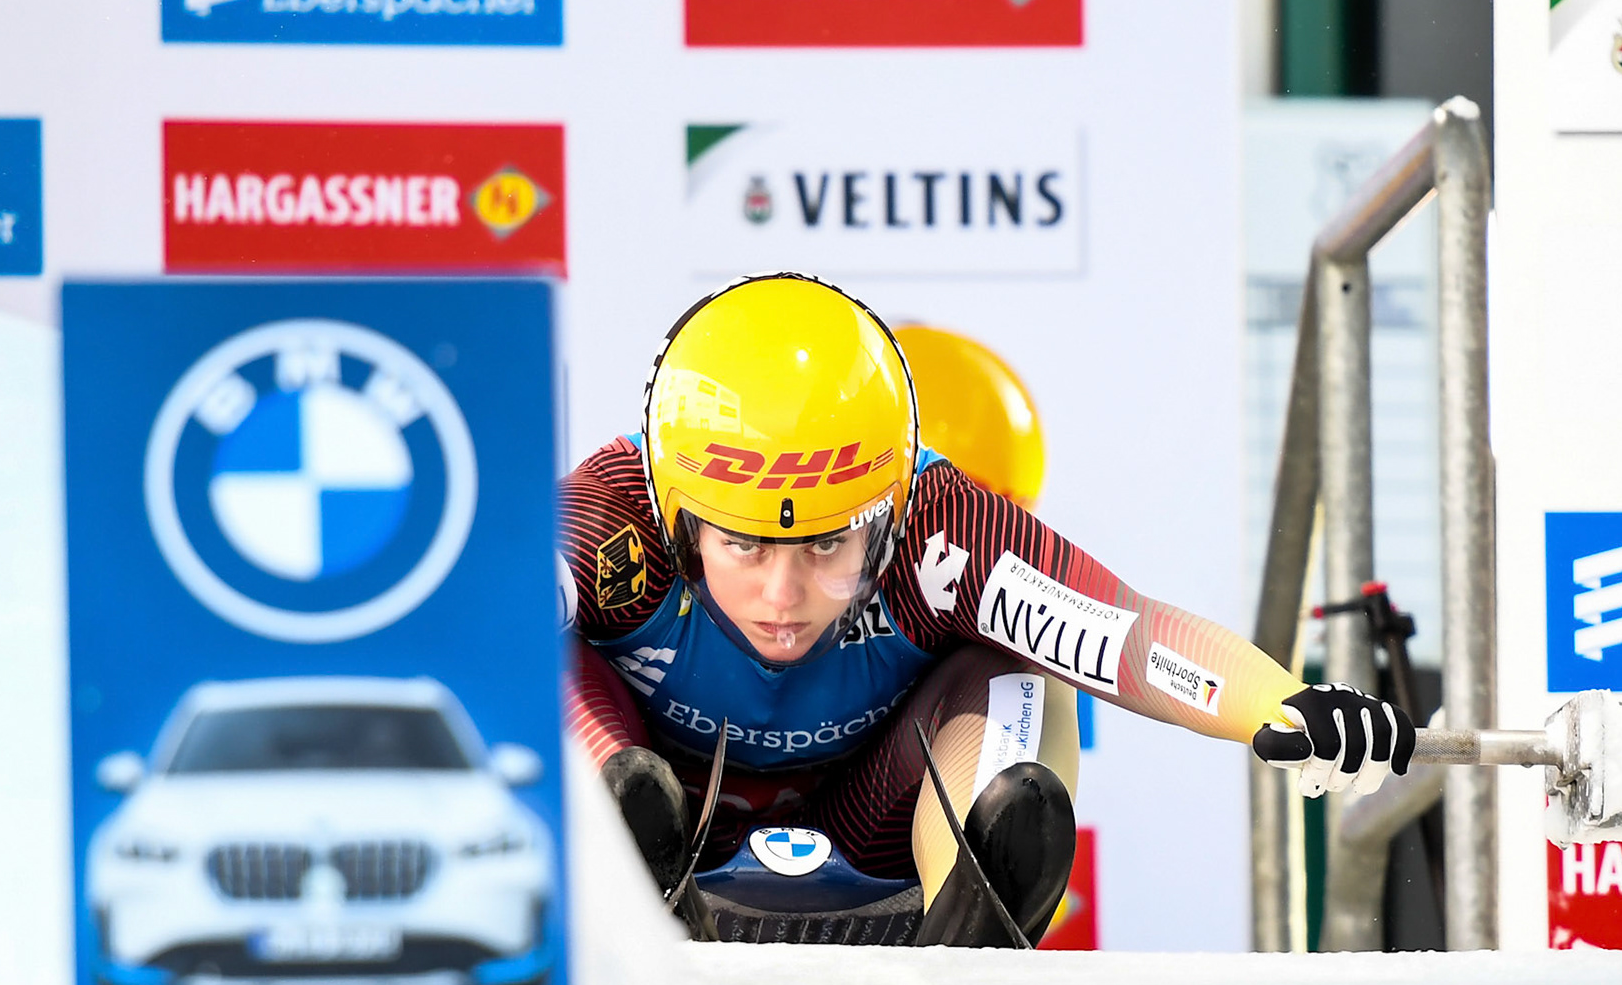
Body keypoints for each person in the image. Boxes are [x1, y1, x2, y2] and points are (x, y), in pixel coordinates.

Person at [559, 273, 1413, 946]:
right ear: (673, 515)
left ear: (891, 513)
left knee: (1020, 656)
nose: (783, 596)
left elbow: (1128, 638)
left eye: (828, 545)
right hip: (666, 819)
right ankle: (621, 864)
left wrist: (1284, 707)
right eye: (744, 545)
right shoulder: (602, 513)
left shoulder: (947, 524)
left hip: (882, 835)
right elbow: (456, 625)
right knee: (531, 645)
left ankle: (973, 925)